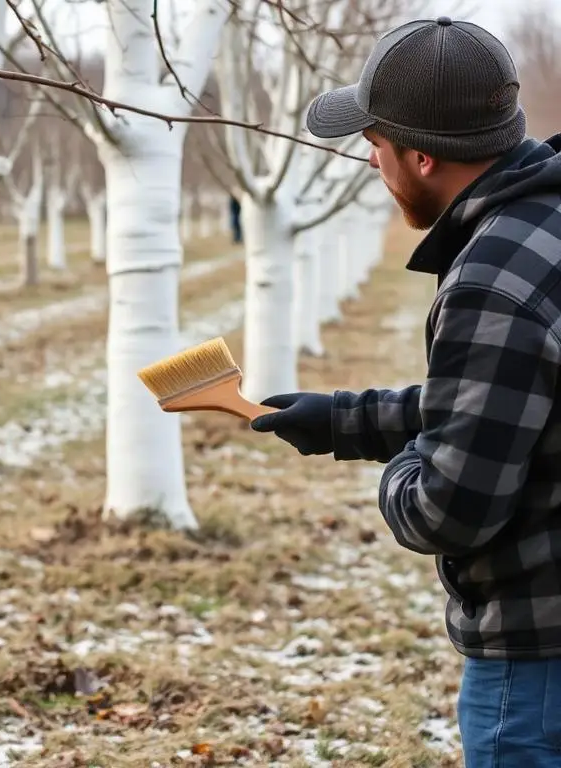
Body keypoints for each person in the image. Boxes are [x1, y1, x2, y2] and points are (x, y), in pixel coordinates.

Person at [248, 16, 561, 766]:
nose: (372, 164)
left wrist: (403, 470)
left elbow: (451, 510)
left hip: (534, 661)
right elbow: (518, 405)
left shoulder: (493, 278)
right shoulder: (547, 224)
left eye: (374, 146)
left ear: (420, 158)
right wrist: (345, 420)